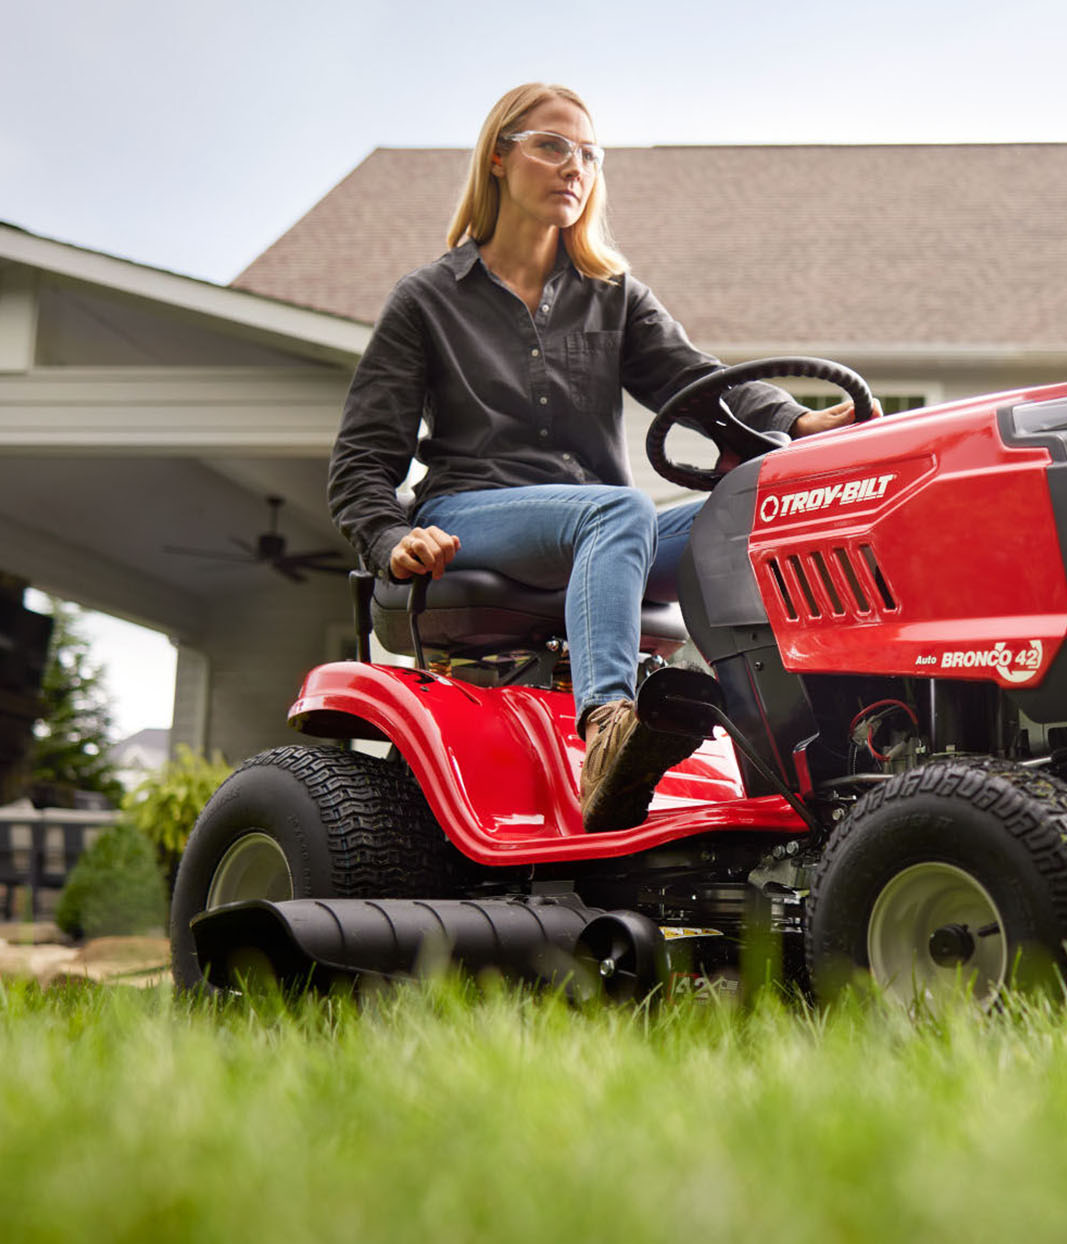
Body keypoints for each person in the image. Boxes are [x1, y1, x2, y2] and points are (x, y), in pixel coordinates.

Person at [327, 83, 862, 832]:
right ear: (499, 159)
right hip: (473, 514)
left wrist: (797, 424)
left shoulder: (616, 298)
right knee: (619, 510)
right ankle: (608, 732)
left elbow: (700, 385)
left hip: (600, 532)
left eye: (587, 153)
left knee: (750, 515)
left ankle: (782, 768)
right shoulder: (426, 301)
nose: (573, 166)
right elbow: (360, 460)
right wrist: (390, 539)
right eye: (551, 146)